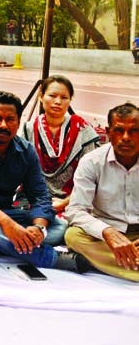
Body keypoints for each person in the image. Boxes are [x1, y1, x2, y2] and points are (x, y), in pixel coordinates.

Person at [0, 91, 88, 272]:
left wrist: (39, 228)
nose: (3, 125)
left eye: (10, 119)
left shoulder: (26, 150)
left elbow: (39, 195)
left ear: (18, 121)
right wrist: (7, 225)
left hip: (8, 213)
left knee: (58, 226)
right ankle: (47, 257)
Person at [65, 103, 139, 282]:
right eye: (119, 130)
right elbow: (76, 211)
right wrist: (107, 231)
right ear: (109, 131)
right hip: (105, 236)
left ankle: (116, 263)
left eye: (134, 131)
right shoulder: (92, 162)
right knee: (73, 237)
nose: (126, 138)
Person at [21, 75, 100, 214]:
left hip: (74, 199)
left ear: (70, 100)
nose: (58, 102)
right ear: (41, 96)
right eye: (52, 95)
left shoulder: (83, 131)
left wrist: (64, 203)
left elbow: (92, 176)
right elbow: (20, 170)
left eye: (64, 97)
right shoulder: (27, 130)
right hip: (33, 197)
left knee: (66, 230)